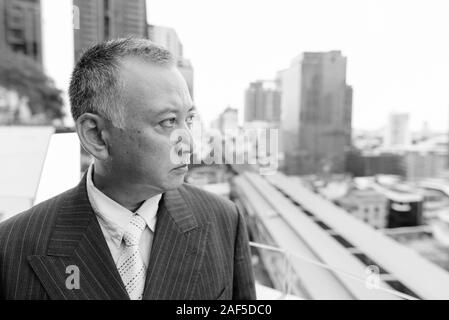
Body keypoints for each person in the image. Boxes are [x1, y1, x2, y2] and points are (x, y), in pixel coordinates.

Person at [0, 38, 256, 300]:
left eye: (188, 119)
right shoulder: (11, 248)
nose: (189, 142)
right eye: (168, 122)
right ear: (96, 135)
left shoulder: (224, 220)